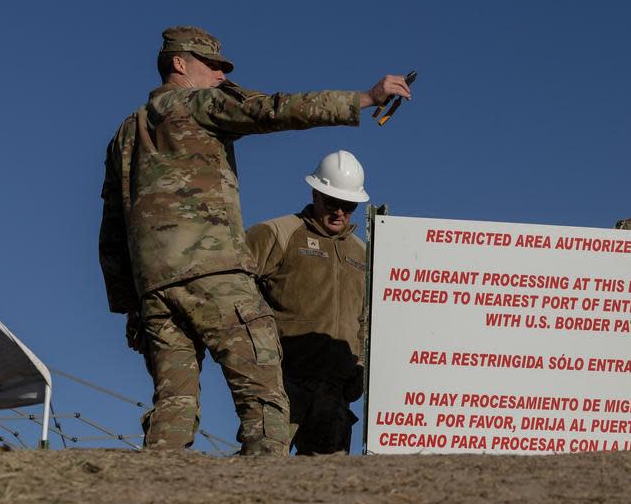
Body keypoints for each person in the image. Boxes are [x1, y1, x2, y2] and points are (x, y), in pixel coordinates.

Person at [98, 26, 410, 455]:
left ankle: (156, 491)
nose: (222, 76)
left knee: (174, 402)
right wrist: (364, 99)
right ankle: (260, 486)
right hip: (214, 273)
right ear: (179, 64)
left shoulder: (125, 134)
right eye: (213, 67)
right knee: (263, 391)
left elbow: (111, 229)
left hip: (154, 286)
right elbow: (273, 110)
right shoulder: (196, 105)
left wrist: (131, 304)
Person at [245, 151, 370, 455]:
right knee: (260, 469)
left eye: (349, 205)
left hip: (334, 392)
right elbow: (233, 289)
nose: (340, 212)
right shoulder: (277, 234)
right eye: (332, 202)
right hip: (279, 384)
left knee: (327, 489)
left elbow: (365, 319)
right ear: (315, 192)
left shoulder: (363, 253)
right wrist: (256, 355)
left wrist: (360, 368)